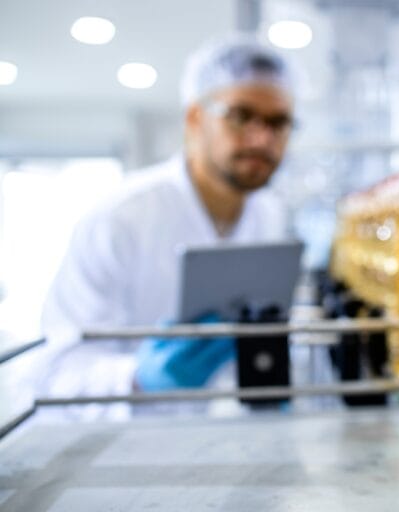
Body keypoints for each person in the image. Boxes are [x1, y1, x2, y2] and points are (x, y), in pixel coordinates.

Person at [41, 34, 295, 392]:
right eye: (241, 117)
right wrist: (137, 377)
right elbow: (52, 374)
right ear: (195, 118)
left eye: (278, 123)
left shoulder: (270, 214)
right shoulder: (120, 219)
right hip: (127, 440)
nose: (261, 140)